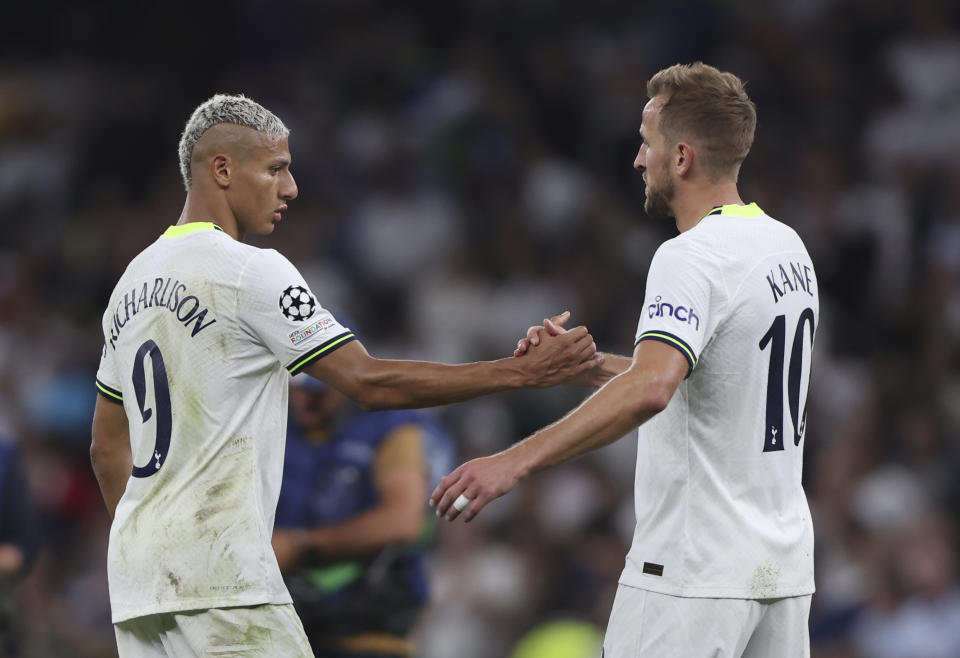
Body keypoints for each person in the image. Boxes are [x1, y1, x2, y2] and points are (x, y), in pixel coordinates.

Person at [89, 93, 600, 657]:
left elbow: (105, 448)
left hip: (138, 585)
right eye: (276, 169)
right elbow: (368, 382)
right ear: (222, 169)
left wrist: (155, 547)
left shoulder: (131, 284)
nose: (291, 188)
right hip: (225, 578)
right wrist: (520, 373)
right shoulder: (250, 271)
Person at [431, 62, 819, 657]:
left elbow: (653, 388)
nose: (639, 160)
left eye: (647, 143)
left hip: (693, 570)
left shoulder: (690, 255)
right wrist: (596, 369)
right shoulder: (786, 247)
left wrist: (514, 461)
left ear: (682, 157)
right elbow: (717, 381)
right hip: (781, 570)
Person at [271, 373, 454, 658]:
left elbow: (403, 521)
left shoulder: (390, 425)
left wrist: (298, 546)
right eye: (297, 390)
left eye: (318, 393)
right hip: (286, 619)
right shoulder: (272, 422)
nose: (304, 401)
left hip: (365, 622)